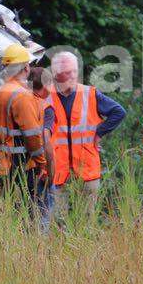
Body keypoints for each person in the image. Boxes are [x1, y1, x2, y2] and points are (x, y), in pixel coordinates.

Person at [45, 51, 125, 230]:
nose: (73, 76)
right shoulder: (46, 96)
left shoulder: (89, 94)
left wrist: (99, 133)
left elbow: (119, 112)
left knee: (86, 221)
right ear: (56, 73)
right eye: (68, 72)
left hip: (86, 167)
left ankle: (85, 253)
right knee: (58, 222)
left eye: (75, 71)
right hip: (58, 169)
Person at [0, 43, 49, 221]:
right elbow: (33, 136)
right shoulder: (22, 96)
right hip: (21, 165)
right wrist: (42, 163)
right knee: (28, 216)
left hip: (1, 164)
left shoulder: (0, 93)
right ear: (26, 68)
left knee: (9, 215)